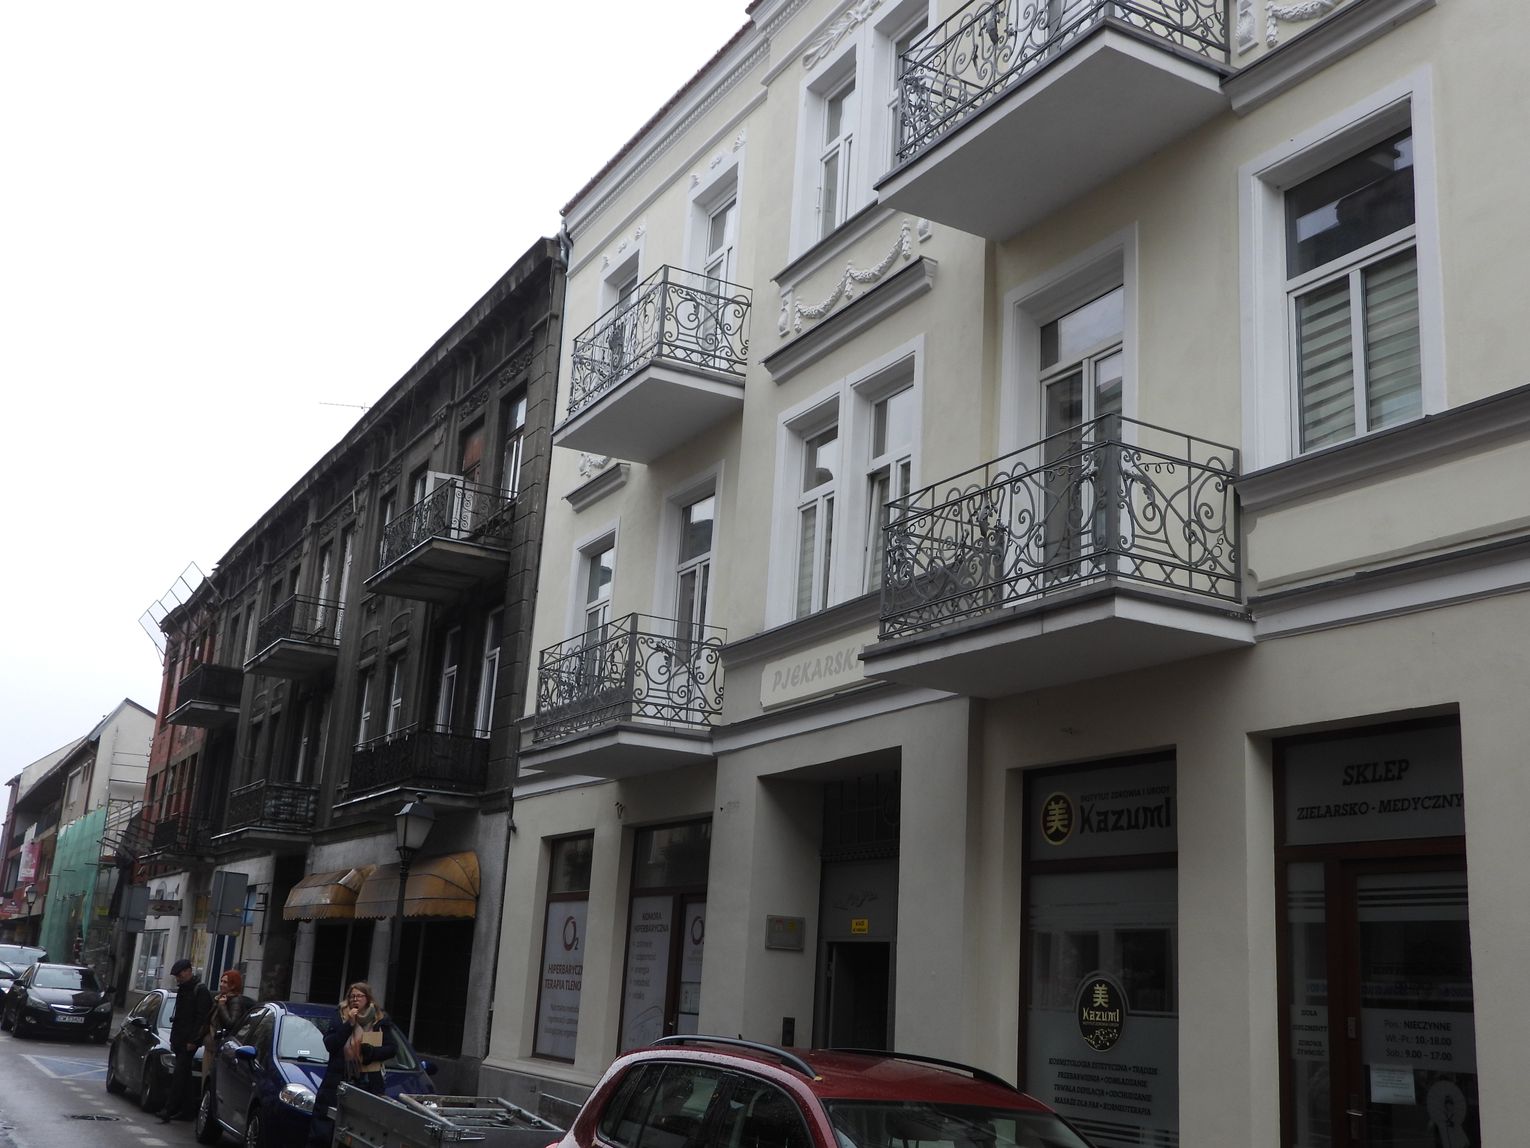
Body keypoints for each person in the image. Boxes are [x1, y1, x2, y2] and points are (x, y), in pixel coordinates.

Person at [307, 982, 397, 1146]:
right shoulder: (340, 1016)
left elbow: (391, 1049)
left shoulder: (379, 1019)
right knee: (325, 1132)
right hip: (338, 1082)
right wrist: (349, 1025)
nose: (355, 1000)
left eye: (359, 996)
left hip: (369, 1083)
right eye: (352, 996)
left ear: (367, 999)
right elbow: (330, 1044)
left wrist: (371, 1053)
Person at [159, 958, 212, 1122]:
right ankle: (188, 1111)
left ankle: (168, 1109)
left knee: (179, 1075)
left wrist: (194, 1040)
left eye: (180, 974)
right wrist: (174, 1038)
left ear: (188, 971)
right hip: (179, 1039)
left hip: (189, 1041)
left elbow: (202, 1019)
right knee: (185, 1075)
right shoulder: (183, 989)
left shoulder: (200, 990)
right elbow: (179, 1016)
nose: (178, 978)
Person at [203, 969, 255, 1080]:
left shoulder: (234, 1001)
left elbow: (231, 1023)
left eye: (225, 982)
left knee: (212, 1079)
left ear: (233, 985)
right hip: (211, 1045)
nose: (221, 984)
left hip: (219, 1047)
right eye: (221, 981)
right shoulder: (221, 998)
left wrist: (221, 1006)